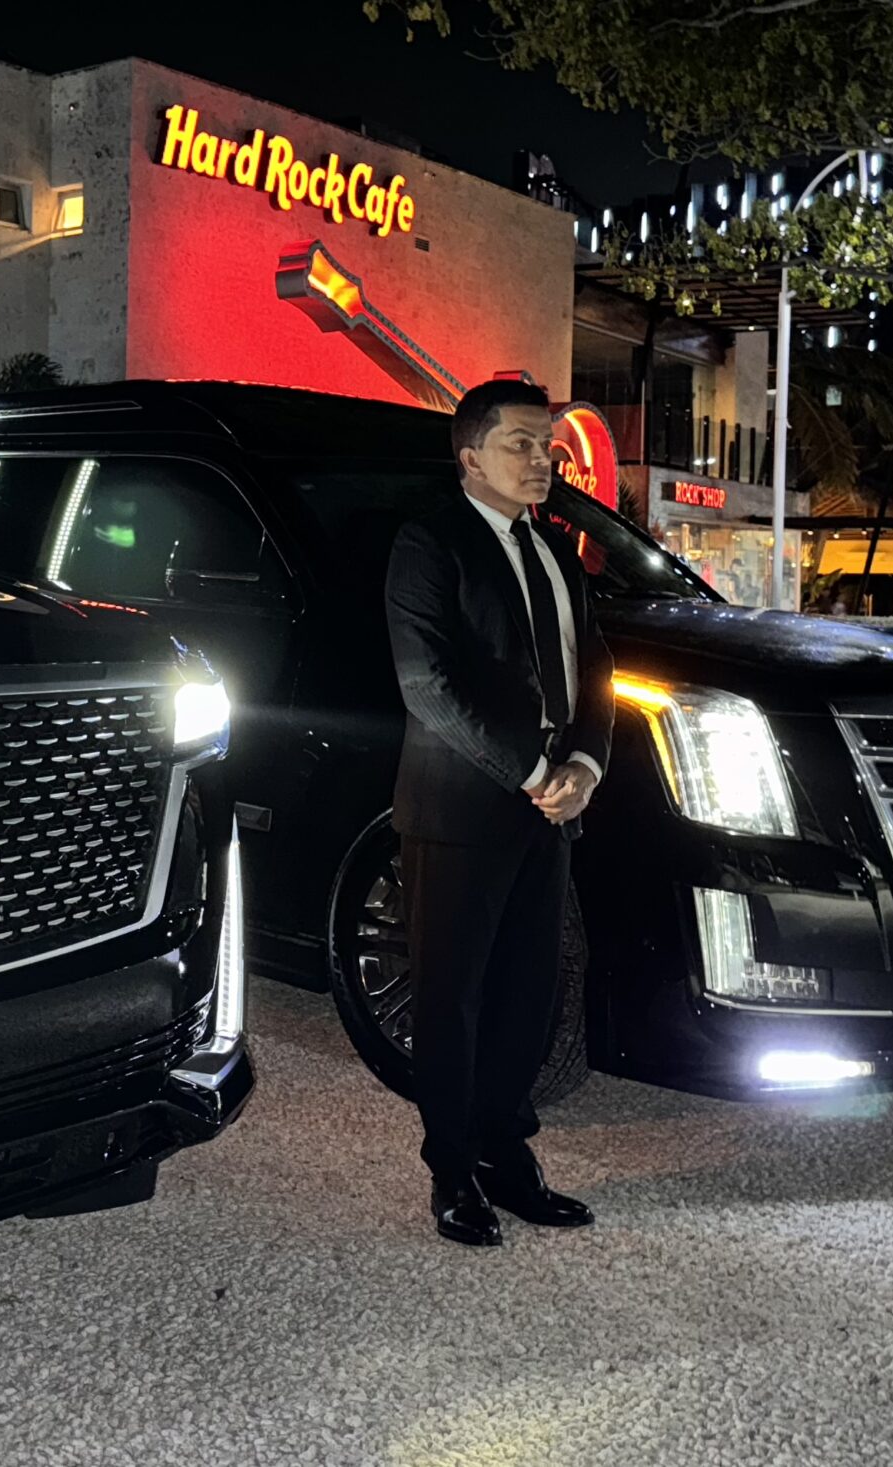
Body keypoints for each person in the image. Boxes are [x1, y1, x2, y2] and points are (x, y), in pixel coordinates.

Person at [382, 376, 616, 1248]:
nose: (542, 458)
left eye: (547, 443)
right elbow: (427, 686)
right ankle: (451, 1171)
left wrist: (586, 762)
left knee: (529, 995)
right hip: (460, 809)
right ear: (470, 453)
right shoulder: (429, 543)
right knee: (452, 999)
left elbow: (595, 666)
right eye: (521, 442)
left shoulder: (556, 550)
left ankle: (505, 1156)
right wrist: (530, 768)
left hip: (550, 809)